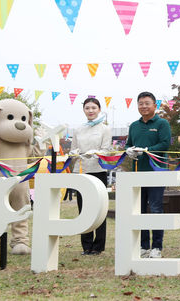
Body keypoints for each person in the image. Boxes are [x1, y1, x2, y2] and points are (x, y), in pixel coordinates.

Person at [125, 92, 171, 259]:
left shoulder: (162, 123)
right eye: (140, 103)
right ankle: (143, 246)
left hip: (157, 172)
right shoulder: (134, 126)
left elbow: (165, 144)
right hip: (138, 172)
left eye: (147, 103)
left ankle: (157, 246)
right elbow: (129, 144)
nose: (143, 106)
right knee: (139, 210)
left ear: (154, 105)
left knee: (156, 208)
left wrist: (147, 151)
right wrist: (129, 150)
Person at [69, 97, 112, 255]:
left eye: (94, 107)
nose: (91, 110)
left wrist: (94, 154)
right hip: (81, 171)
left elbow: (106, 150)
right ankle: (86, 246)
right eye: (87, 108)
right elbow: (73, 149)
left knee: (99, 208)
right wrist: (74, 153)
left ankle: (98, 246)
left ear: (99, 109)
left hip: (98, 170)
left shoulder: (105, 129)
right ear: (84, 110)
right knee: (83, 209)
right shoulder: (78, 129)